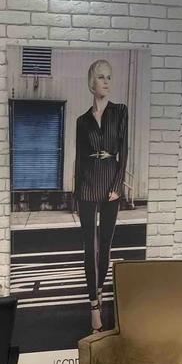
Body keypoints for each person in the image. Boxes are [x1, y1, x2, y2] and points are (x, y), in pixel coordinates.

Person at [74, 59, 129, 332]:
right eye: (100, 77)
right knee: (89, 247)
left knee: (105, 245)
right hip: (87, 185)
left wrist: (118, 185)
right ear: (91, 82)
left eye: (109, 77)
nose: (106, 82)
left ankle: (98, 288)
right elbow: (79, 158)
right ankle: (93, 304)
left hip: (110, 185)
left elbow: (124, 151)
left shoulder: (120, 111)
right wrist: (76, 193)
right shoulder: (82, 121)